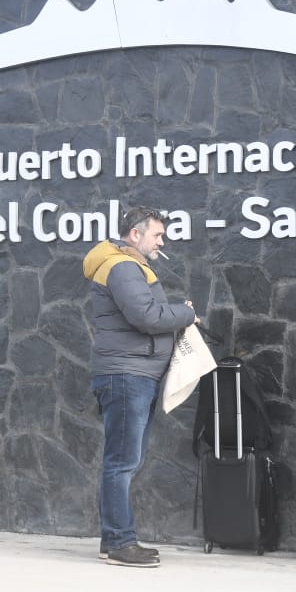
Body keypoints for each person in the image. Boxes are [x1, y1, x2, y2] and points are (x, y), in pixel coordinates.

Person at [82, 205, 199, 567]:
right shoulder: (123, 267)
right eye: (157, 235)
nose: (161, 242)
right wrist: (186, 313)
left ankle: (113, 539)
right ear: (136, 234)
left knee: (125, 460)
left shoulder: (128, 266)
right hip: (127, 377)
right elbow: (146, 316)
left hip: (134, 376)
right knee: (122, 462)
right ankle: (120, 542)